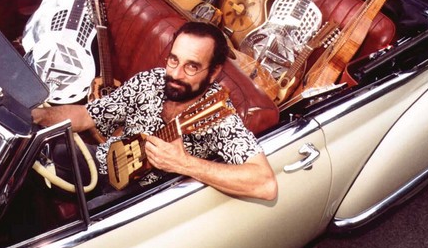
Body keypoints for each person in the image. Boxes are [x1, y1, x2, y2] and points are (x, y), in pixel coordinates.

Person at [32, 21, 278, 201]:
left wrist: (185, 164)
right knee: (31, 160)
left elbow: (265, 184)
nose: (176, 74)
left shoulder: (217, 115)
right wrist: (38, 117)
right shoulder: (150, 80)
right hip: (106, 159)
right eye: (173, 60)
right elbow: (88, 115)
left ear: (213, 72)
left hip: (139, 194)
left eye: (192, 66)